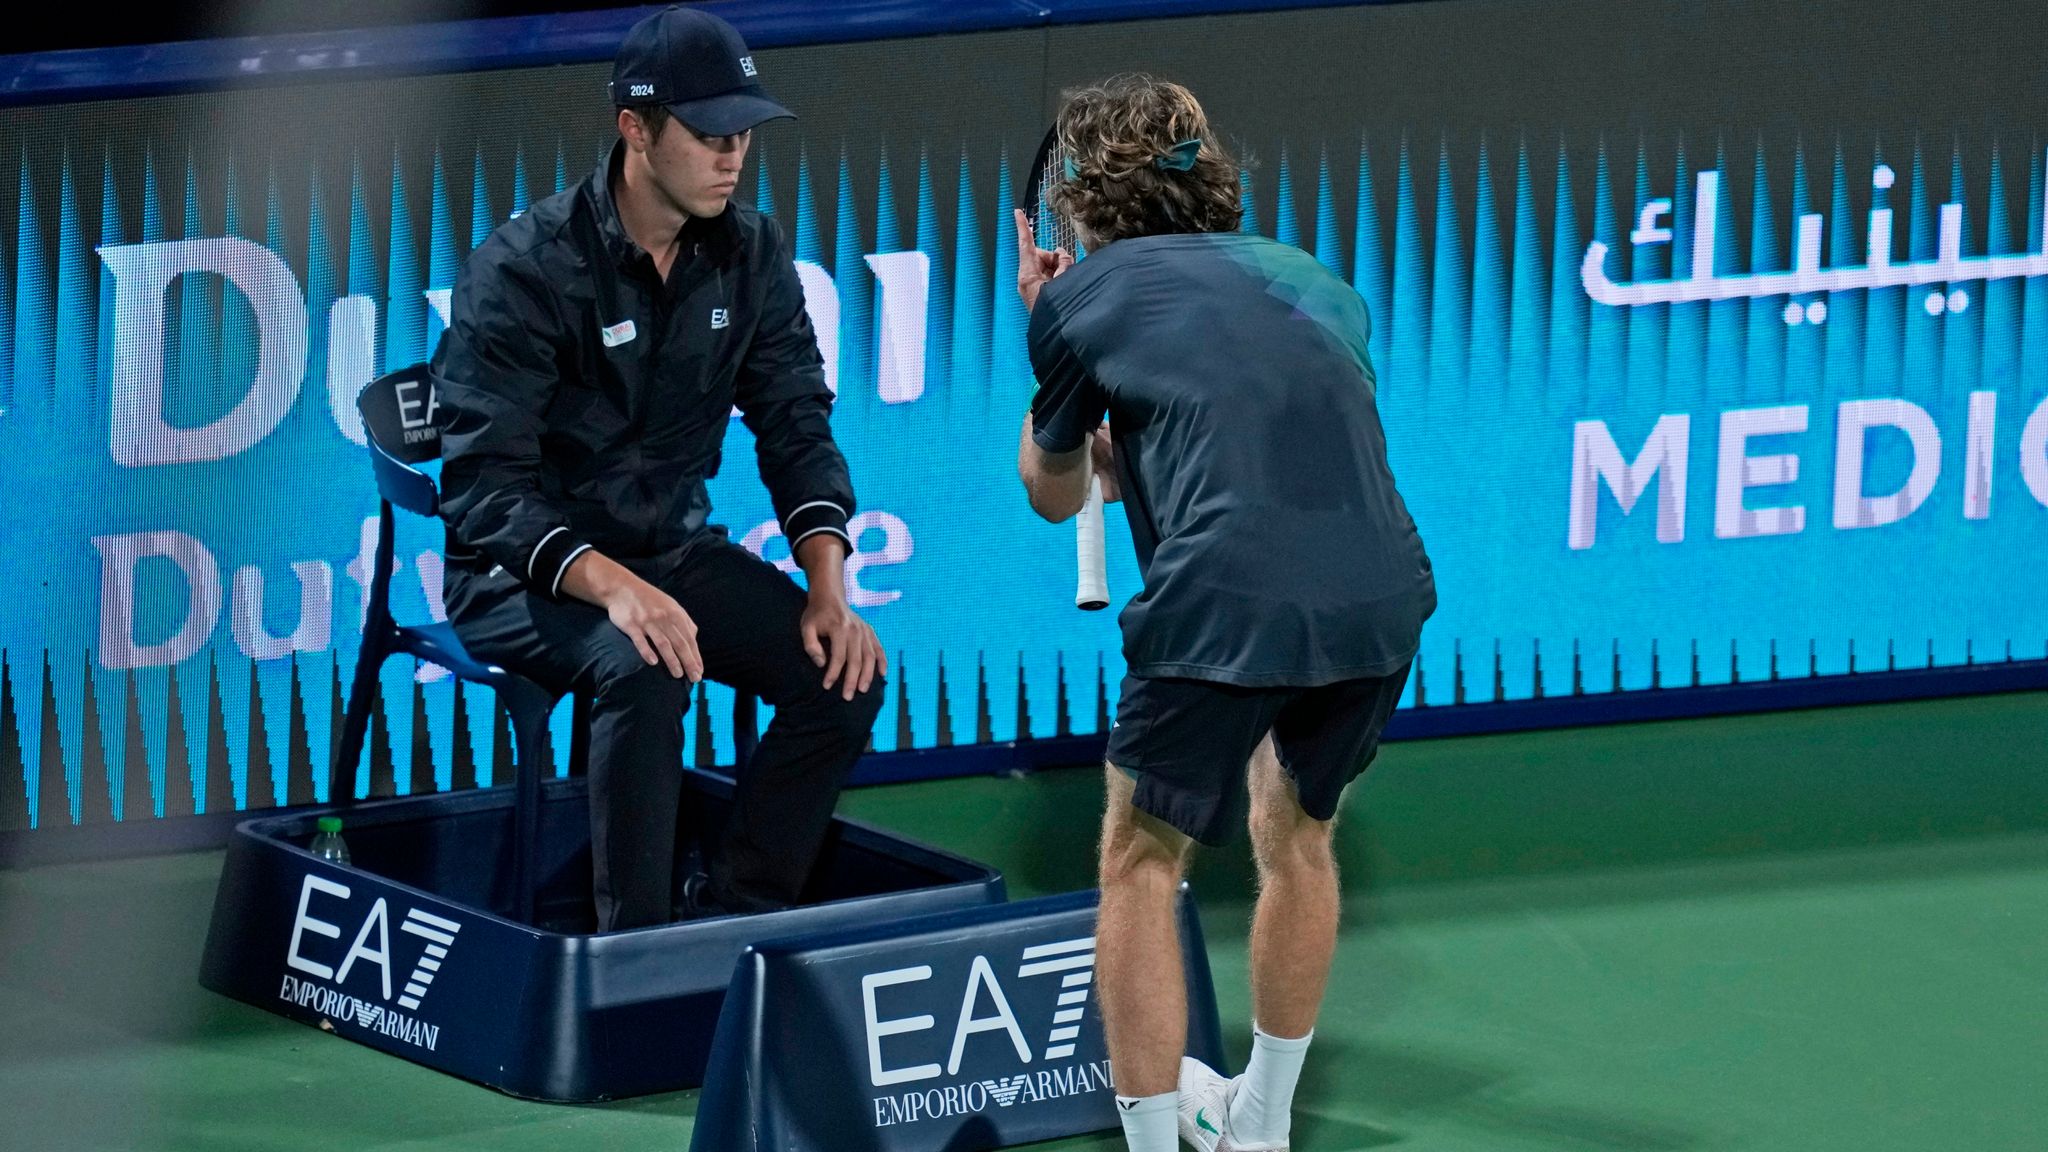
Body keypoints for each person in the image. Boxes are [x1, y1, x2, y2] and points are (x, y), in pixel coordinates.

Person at [1013, 74, 1436, 1152]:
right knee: (1297, 833)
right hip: (1380, 588)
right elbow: (1267, 424)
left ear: (1078, 201)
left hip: (1224, 590)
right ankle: (1260, 1123)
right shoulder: (1314, 279)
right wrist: (1135, 445)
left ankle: (1156, 1146)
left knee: (1140, 859)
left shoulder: (1074, 299)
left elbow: (1052, 490)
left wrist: (1050, 342)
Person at [433, 5, 885, 933]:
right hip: (523, 577)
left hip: (671, 554)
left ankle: (730, 913)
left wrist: (828, 587)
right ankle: (632, 952)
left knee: (844, 676)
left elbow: (795, 420)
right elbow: (483, 491)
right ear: (635, 128)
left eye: (744, 132)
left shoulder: (753, 254)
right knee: (646, 667)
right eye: (710, 133)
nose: (733, 155)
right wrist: (611, 590)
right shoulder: (523, 271)